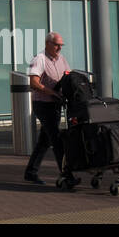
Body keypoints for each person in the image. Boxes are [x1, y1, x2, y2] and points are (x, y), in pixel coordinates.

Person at [23, 32, 69, 184]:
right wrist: (52, 93)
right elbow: (34, 83)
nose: (59, 48)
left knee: (45, 140)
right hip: (43, 104)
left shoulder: (61, 59)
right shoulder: (39, 59)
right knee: (56, 138)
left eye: (61, 45)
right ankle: (67, 174)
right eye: (56, 45)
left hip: (55, 104)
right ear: (48, 43)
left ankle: (31, 172)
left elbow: (67, 76)